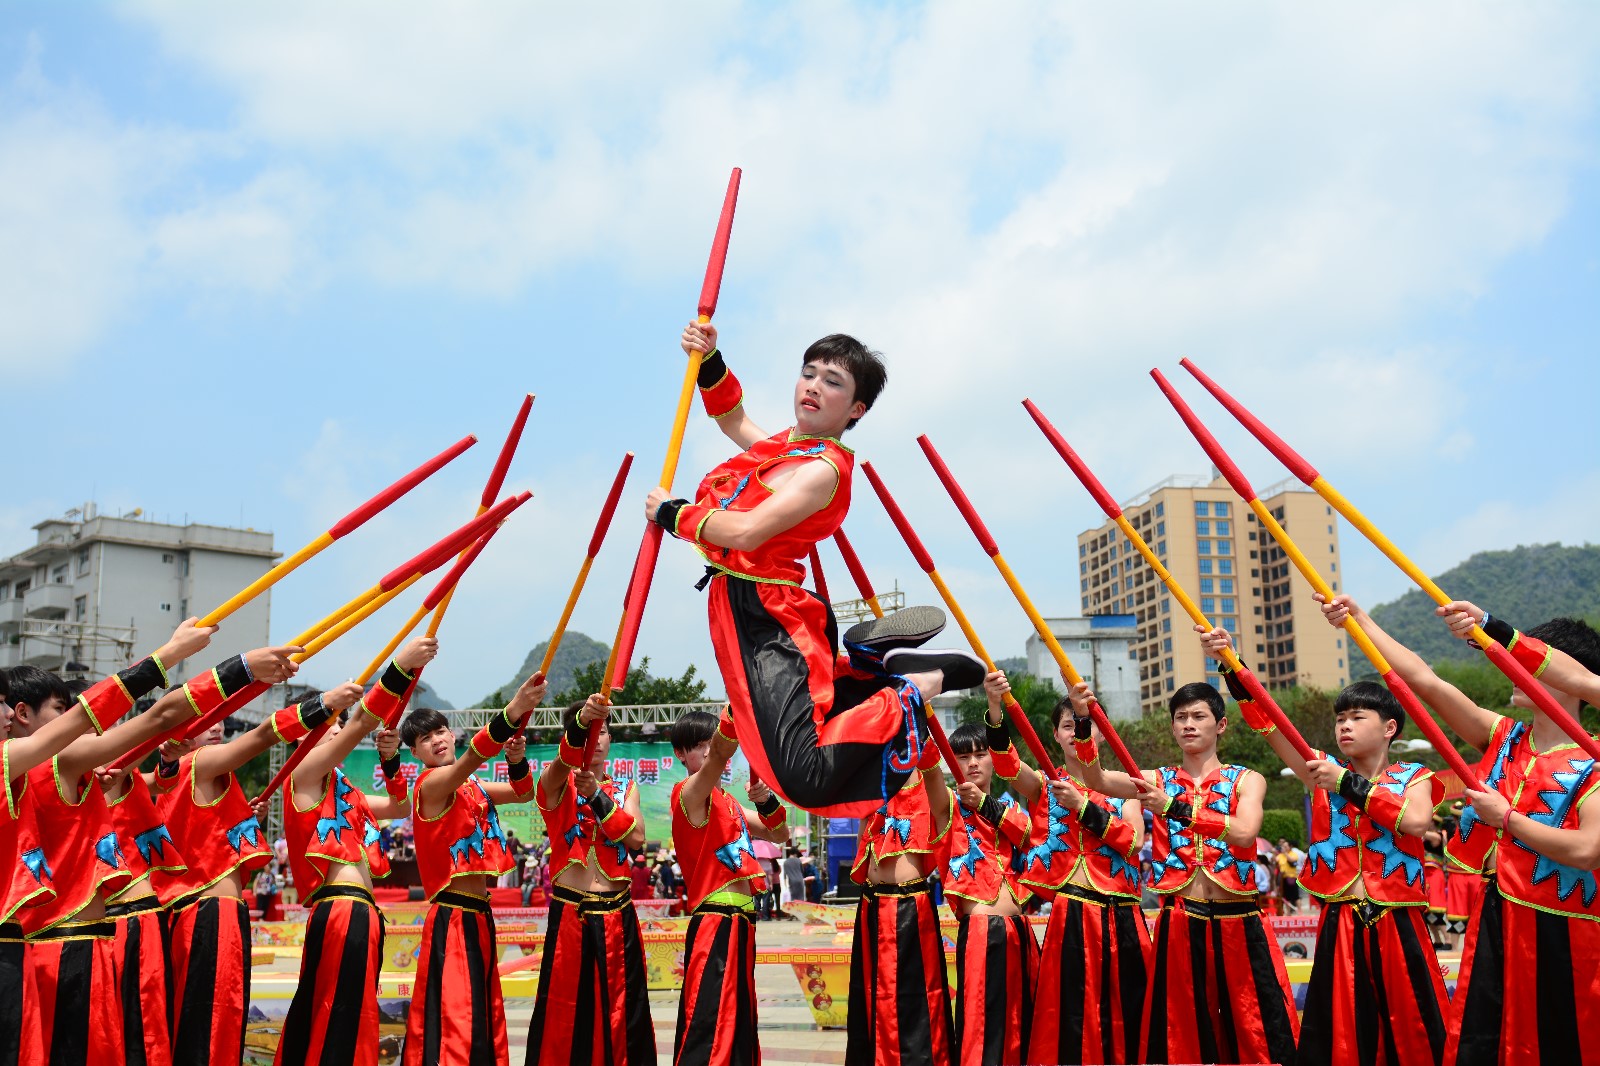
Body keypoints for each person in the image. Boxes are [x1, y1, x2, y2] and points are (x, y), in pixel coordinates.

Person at [644, 323, 984, 816]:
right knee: (804, 741)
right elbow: (733, 419)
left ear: (856, 409)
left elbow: (747, 532)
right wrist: (711, 360)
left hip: (770, 613)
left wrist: (674, 515)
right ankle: (867, 667)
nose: (814, 386)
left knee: (805, 777)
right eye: (809, 373)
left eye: (833, 381)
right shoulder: (787, 446)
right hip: (741, 603)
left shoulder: (824, 469)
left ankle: (919, 683)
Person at [1319, 594, 1600, 1064]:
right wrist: (1359, 620)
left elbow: (1589, 850)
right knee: (1481, 1045)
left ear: (1568, 678)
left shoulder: (1593, 760)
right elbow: (1422, 680)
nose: (1511, 667)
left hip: (1564, 933)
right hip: (1497, 917)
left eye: (1529, 659)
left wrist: (1507, 819)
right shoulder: (1504, 738)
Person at [1203, 625, 1449, 1065]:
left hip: (1400, 920)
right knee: (1341, 1031)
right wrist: (1232, 666)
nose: (1345, 726)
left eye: (1357, 717)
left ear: (1390, 727)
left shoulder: (1414, 777)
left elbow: (1415, 821)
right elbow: (1272, 727)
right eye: (1340, 719)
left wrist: (1347, 784)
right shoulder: (1321, 771)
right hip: (1341, 918)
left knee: (1414, 1029)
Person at [3, 619, 223, 1066]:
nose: (5, 714)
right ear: (27, 715)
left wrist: (162, 764)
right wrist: (216, 664)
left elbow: (151, 769)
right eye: (60, 710)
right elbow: (155, 718)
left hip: (72, 942)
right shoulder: (54, 762)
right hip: (67, 946)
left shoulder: (42, 770)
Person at [1076, 677, 1299, 1065]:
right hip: (1179, 918)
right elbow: (1095, 779)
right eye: (1181, 717)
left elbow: (1246, 831)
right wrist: (1083, 721)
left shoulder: (1247, 780)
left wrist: (1174, 808)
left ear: (1221, 724)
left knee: (1256, 1026)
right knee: (1179, 1030)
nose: (1189, 724)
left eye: (1198, 716)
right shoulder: (1155, 780)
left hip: (1239, 919)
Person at [158, 660, 357, 1066]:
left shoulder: (186, 776)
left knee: (211, 1021)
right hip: (209, 913)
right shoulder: (199, 764)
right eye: (203, 719)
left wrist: (242, 817)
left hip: (205, 912)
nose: (216, 726)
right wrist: (324, 703)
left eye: (218, 718)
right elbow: (264, 734)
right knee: (213, 1026)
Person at [274, 636, 435, 1066]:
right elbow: (362, 722)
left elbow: (399, 807)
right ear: (305, 731)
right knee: (340, 1016)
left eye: (339, 721)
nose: (338, 728)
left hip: (359, 910)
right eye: (331, 722)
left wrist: (391, 761)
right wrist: (401, 666)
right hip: (342, 909)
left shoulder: (346, 792)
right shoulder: (302, 774)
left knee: (348, 1013)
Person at [977, 671, 1147, 1066]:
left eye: (1082, 724)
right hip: (1072, 911)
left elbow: (1134, 841)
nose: (1074, 733)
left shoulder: (1127, 787)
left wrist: (1083, 807)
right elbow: (1007, 766)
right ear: (1055, 735)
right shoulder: (1045, 785)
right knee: (1070, 1011)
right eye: (1067, 726)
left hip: (1122, 913)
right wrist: (995, 706)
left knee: (1128, 1009)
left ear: (1100, 731)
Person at [397, 672, 547, 1066]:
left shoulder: (472, 786)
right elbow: (471, 759)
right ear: (414, 752)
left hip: (479, 914)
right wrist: (514, 710)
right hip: (453, 916)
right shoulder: (429, 786)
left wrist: (516, 760)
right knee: (457, 1016)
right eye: (426, 738)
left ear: (451, 733)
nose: (437, 740)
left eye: (440, 731)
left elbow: (523, 793)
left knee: (481, 1010)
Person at [527, 695, 654, 1065]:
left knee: (624, 1009)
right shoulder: (555, 784)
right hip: (572, 911)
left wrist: (596, 795)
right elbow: (557, 770)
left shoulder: (626, 787)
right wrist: (581, 723)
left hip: (619, 912)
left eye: (603, 732)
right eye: (589, 733)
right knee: (564, 1009)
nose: (596, 740)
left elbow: (636, 837)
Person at [668, 706, 789, 1065]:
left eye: (711, 743)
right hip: (714, 922)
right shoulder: (686, 794)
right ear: (680, 754)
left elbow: (779, 834)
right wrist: (738, 704)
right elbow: (719, 756)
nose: (709, 750)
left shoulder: (731, 803)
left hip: (742, 923)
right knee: (708, 1022)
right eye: (699, 746)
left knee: (738, 1024)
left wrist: (766, 799)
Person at [846, 720, 954, 1064]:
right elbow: (863, 838)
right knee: (868, 997)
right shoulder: (872, 788)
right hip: (871, 904)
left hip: (909, 906)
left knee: (916, 999)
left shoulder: (929, 784)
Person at [937, 719, 1040, 1066]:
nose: (973, 763)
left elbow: (1032, 837)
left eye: (981, 754)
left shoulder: (1012, 809)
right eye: (963, 757)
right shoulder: (948, 807)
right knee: (981, 1027)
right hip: (982, 928)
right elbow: (927, 773)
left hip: (1020, 929)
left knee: (1021, 1023)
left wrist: (984, 804)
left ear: (994, 759)